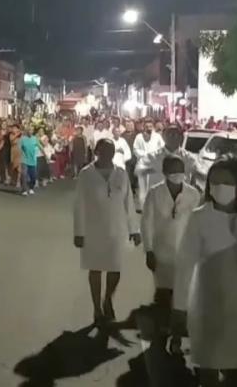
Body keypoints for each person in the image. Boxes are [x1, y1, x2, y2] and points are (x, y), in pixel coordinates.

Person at [173, 157, 237, 387]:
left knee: (233, 370)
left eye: (226, 181)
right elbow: (185, 263)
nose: (219, 187)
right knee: (207, 370)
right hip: (206, 306)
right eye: (214, 182)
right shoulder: (199, 217)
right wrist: (178, 308)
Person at [73, 138, 141, 325]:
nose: (108, 154)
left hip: (116, 229)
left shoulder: (120, 173)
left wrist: (134, 229)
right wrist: (79, 232)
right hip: (93, 229)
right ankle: (96, 308)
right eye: (104, 150)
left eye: (111, 150)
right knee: (95, 269)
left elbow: (129, 203)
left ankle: (108, 298)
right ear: (97, 152)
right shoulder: (86, 174)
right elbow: (79, 204)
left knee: (115, 269)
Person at [141, 155, 200, 352]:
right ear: (165, 173)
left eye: (180, 170)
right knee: (164, 294)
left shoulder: (193, 195)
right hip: (162, 253)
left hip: (186, 254)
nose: (177, 175)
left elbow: (198, 225)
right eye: (173, 171)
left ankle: (176, 337)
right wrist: (148, 250)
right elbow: (147, 222)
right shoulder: (155, 193)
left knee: (182, 297)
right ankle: (163, 328)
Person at [137, 125, 198, 198]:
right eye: (169, 134)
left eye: (175, 135)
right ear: (163, 136)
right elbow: (140, 174)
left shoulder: (189, 159)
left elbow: (195, 180)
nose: (172, 137)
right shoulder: (152, 158)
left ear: (181, 137)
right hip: (158, 201)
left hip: (181, 203)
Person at [133, 118, 165, 207]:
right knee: (143, 188)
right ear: (144, 127)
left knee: (154, 187)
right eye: (147, 126)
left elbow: (162, 148)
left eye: (150, 126)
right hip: (143, 165)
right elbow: (135, 150)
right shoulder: (139, 137)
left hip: (154, 166)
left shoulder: (157, 137)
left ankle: (154, 206)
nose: (149, 128)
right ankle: (143, 207)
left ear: (153, 127)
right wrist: (145, 155)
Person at [20, 126, 39, 196]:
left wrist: (46, 155)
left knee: (33, 176)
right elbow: (20, 148)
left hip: (33, 160)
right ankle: (24, 189)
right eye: (29, 130)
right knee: (24, 174)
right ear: (27, 131)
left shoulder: (35, 138)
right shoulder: (23, 139)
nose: (30, 131)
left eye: (32, 130)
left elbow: (40, 146)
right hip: (24, 160)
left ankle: (31, 188)